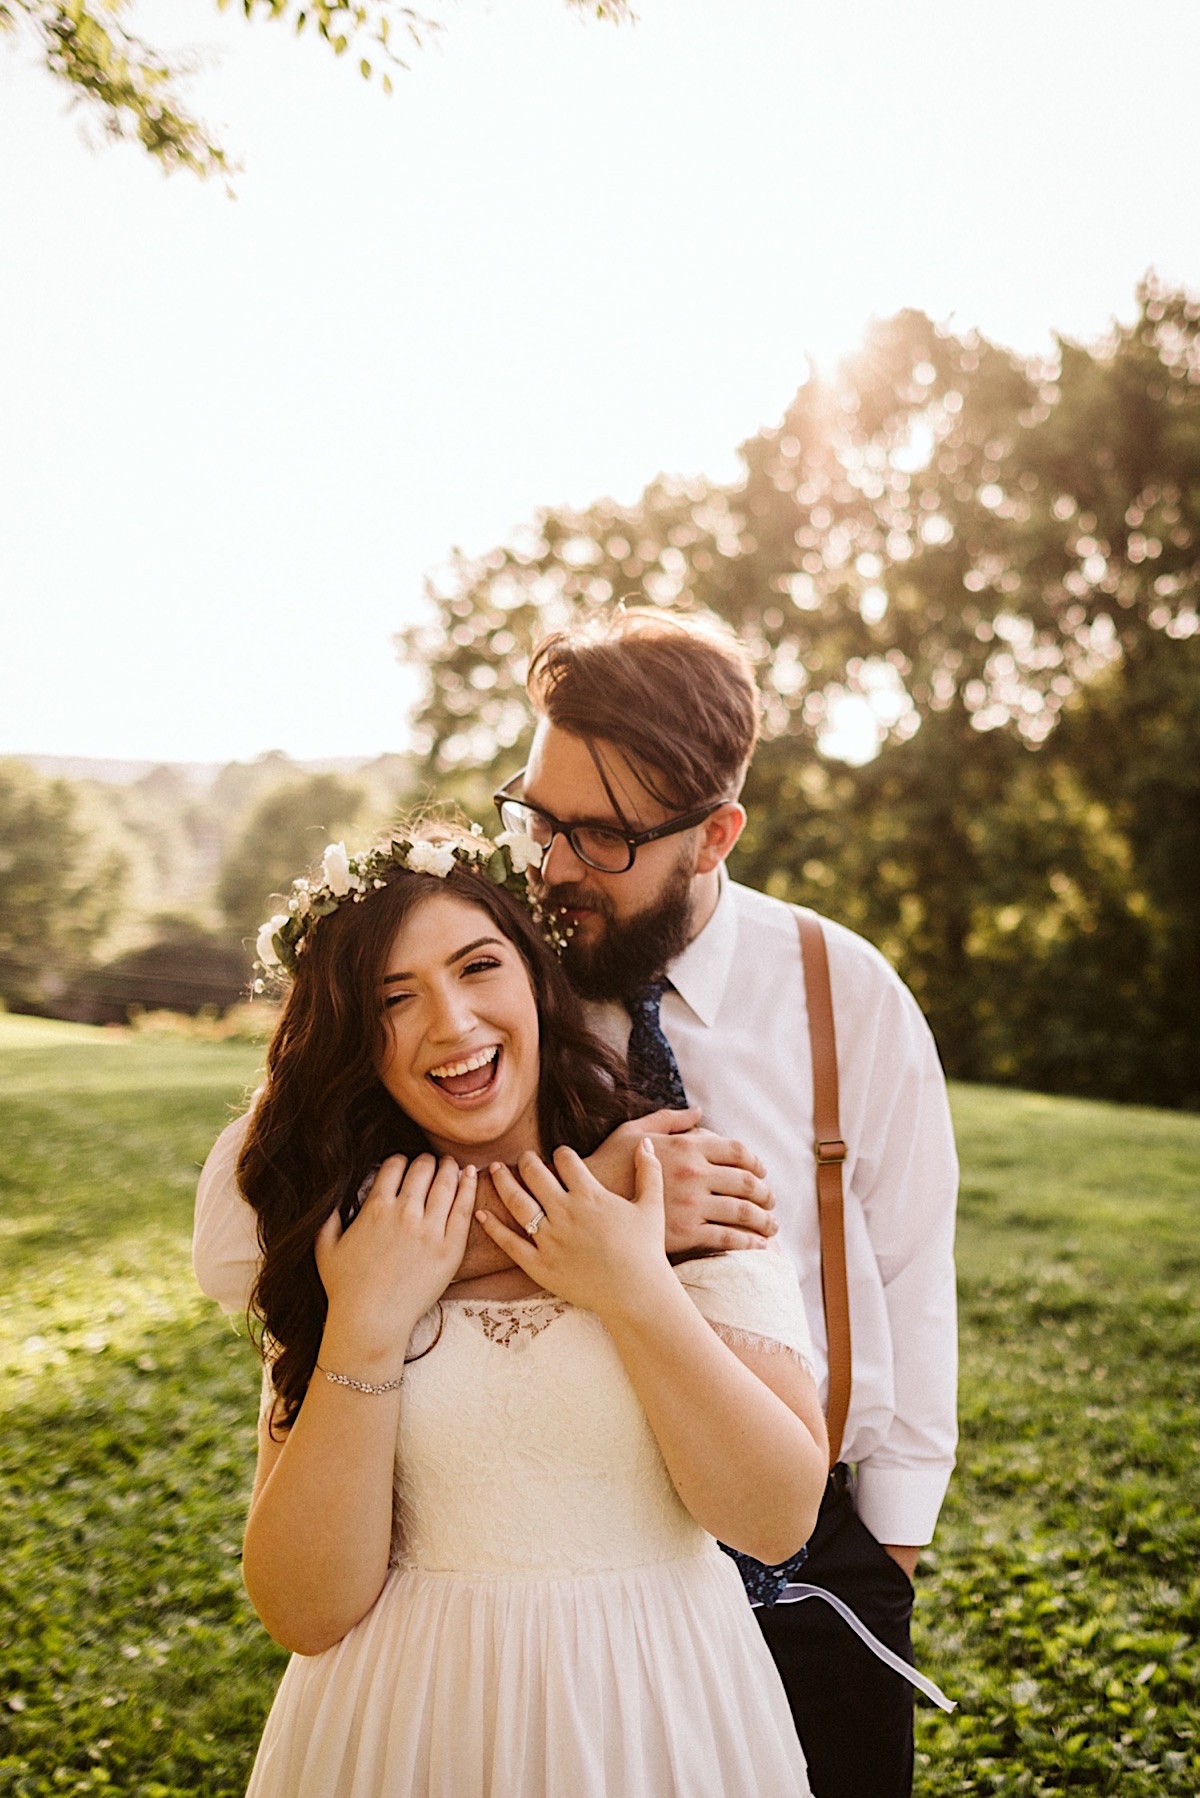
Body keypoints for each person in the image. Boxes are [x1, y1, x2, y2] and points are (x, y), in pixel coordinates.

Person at [195, 607, 958, 1797]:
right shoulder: (526, 968)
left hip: (796, 1540)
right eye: (537, 817)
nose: (551, 864)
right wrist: (579, 1205)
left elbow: (913, 1278)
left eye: (597, 836)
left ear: (713, 836)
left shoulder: (840, 992)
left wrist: (893, 1548)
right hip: (433, 1677)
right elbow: (278, 1207)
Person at [236, 826, 827, 1795]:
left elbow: (774, 1518)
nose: (454, 1022)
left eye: (479, 966)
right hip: (405, 1725)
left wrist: (630, 1284)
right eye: (395, 998)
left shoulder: (673, 1182)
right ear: (355, 1037)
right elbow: (306, 1609)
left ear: (537, 979)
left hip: (652, 1710)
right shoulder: (352, 1241)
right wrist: (365, 1327)